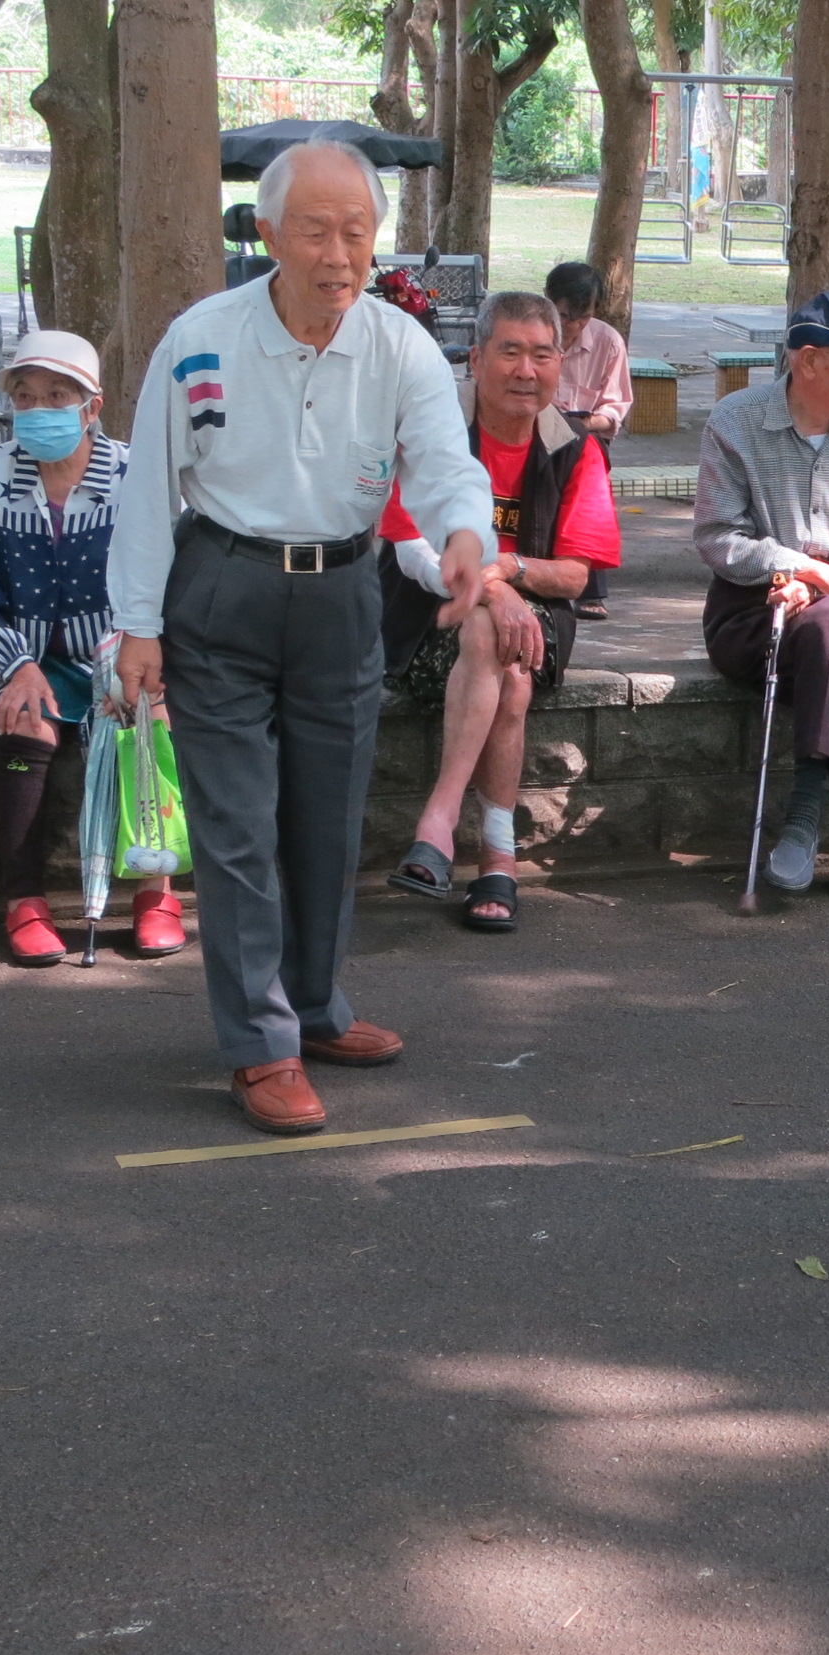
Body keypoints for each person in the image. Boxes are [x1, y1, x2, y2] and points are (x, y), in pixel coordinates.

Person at [109, 138, 491, 1136]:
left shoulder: (398, 345)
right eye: (314, 231)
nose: (337, 253)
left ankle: (315, 1010)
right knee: (237, 834)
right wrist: (136, 625)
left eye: (355, 232)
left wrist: (462, 535)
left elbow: (444, 462)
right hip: (220, 594)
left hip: (341, 595)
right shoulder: (201, 339)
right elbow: (149, 486)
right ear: (267, 233)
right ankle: (260, 1047)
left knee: (325, 821)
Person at [0, 327, 185, 966]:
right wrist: (16, 668)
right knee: (26, 726)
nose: (39, 409)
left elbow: (169, 578)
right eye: (25, 397)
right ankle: (24, 901)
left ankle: (155, 891)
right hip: (27, 655)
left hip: (123, 649)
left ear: (92, 406)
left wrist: (139, 658)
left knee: (148, 723)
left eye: (58, 395)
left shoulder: (136, 475)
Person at [385, 292, 618, 930]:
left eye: (542, 354)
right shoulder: (430, 432)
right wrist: (492, 591)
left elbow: (576, 571)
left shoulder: (574, 446)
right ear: (474, 358)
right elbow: (408, 547)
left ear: (559, 363)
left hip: (533, 616)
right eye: (509, 351)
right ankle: (498, 857)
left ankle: (438, 823)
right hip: (426, 616)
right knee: (506, 667)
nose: (526, 370)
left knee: (501, 644)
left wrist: (507, 572)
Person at [695, 287, 829, 909]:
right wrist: (802, 573)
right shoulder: (735, 421)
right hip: (749, 611)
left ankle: (805, 813)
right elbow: (717, 539)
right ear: (809, 360)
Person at [546, 261, 631, 621]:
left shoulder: (608, 341)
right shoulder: (533, 333)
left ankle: (590, 588)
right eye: (565, 317)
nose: (574, 327)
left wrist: (583, 423)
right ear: (549, 302)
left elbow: (614, 410)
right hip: (533, 429)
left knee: (588, 469)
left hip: (586, 436)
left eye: (583, 318)